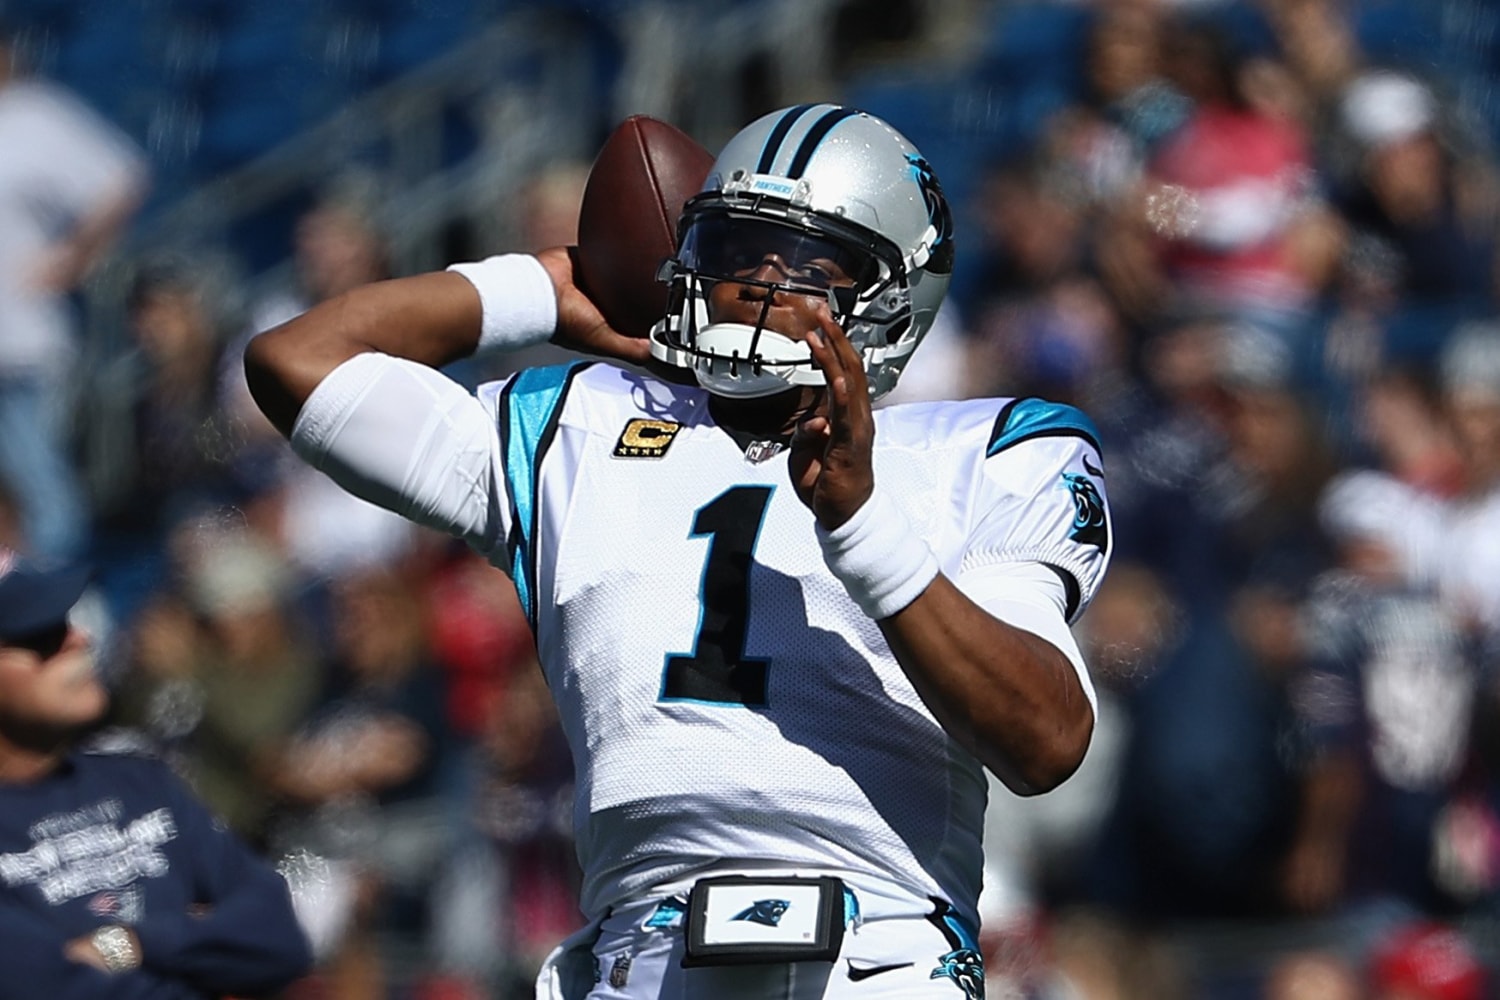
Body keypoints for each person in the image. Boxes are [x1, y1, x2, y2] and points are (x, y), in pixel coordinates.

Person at [245, 103, 1111, 999]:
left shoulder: (986, 451)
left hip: (882, 949)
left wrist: (864, 526)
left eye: (810, 263)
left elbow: (1044, 739)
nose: (763, 285)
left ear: (895, 294)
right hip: (637, 953)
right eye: (738, 250)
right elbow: (299, 362)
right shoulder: (574, 424)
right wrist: (543, 288)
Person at [0, 549, 313, 997]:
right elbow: (46, 986)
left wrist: (133, 942)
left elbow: (278, 935)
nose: (80, 640)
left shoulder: (141, 781)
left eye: (69, 623)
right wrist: (201, 941)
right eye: (42, 636)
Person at [0, 20, 150, 562]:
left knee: (42, 484)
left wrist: (75, 256)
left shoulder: (36, 113)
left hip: (25, 345)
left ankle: (60, 605)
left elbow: (121, 176)